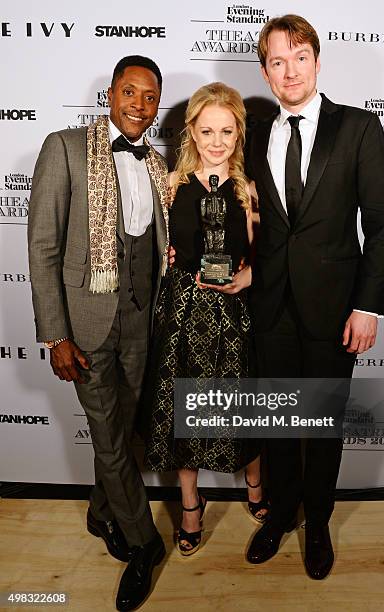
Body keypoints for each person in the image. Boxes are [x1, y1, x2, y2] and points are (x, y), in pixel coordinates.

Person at [245, 15, 384, 579]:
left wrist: (368, 305)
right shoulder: (254, 133)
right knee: (278, 422)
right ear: (265, 70)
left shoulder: (358, 128)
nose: (289, 71)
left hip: (335, 310)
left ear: (316, 60)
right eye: (277, 61)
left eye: (299, 57)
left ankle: (317, 522)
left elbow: (380, 227)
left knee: (322, 424)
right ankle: (281, 514)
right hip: (270, 307)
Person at [28, 55, 169, 611]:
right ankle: (143, 543)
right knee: (108, 434)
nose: (139, 104)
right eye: (129, 92)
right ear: (110, 94)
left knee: (124, 429)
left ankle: (99, 511)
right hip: (84, 325)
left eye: (150, 96)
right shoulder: (64, 147)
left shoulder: (158, 165)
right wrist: (55, 335)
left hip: (141, 318)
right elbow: (42, 249)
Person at [143, 82, 268, 556]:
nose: (217, 141)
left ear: (239, 135)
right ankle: (190, 504)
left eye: (227, 131)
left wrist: (249, 277)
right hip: (182, 310)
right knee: (183, 411)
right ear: (191, 132)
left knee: (243, 406)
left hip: (235, 314)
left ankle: (256, 487)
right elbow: (153, 246)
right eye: (207, 130)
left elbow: (263, 254)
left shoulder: (248, 190)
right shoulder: (172, 185)